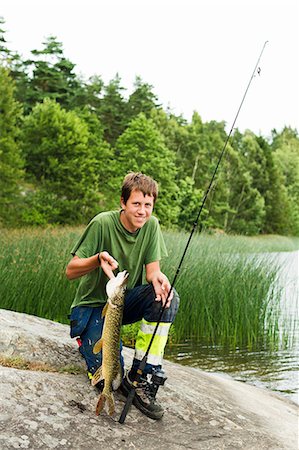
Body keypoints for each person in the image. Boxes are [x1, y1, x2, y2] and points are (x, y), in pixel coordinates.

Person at [66, 172, 180, 420]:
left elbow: (153, 271)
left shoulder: (152, 226)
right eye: (136, 204)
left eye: (147, 205)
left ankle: (143, 375)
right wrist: (97, 260)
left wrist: (160, 279)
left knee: (166, 298)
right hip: (91, 307)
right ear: (123, 202)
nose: (142, 211)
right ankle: (87, 341)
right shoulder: (102, 223)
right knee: (110, 381)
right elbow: (70, 270)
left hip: (119, 304)